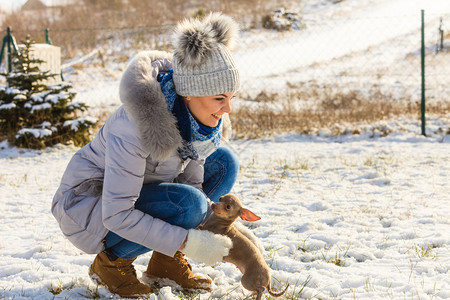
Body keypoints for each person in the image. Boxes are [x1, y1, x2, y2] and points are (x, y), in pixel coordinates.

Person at [51, 12, 254, 298]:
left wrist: (215, 225)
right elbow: (117, 213)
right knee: (189, 205)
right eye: (220, 99)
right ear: (189, 94)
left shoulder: (196, 124)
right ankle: (111, 264)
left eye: (231, 97)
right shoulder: (134, 126)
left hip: (139, 191)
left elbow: (193, 185)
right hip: (90, 208)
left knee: (223, 163)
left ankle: (165, 263)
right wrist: (188, 241)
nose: (228, 109)